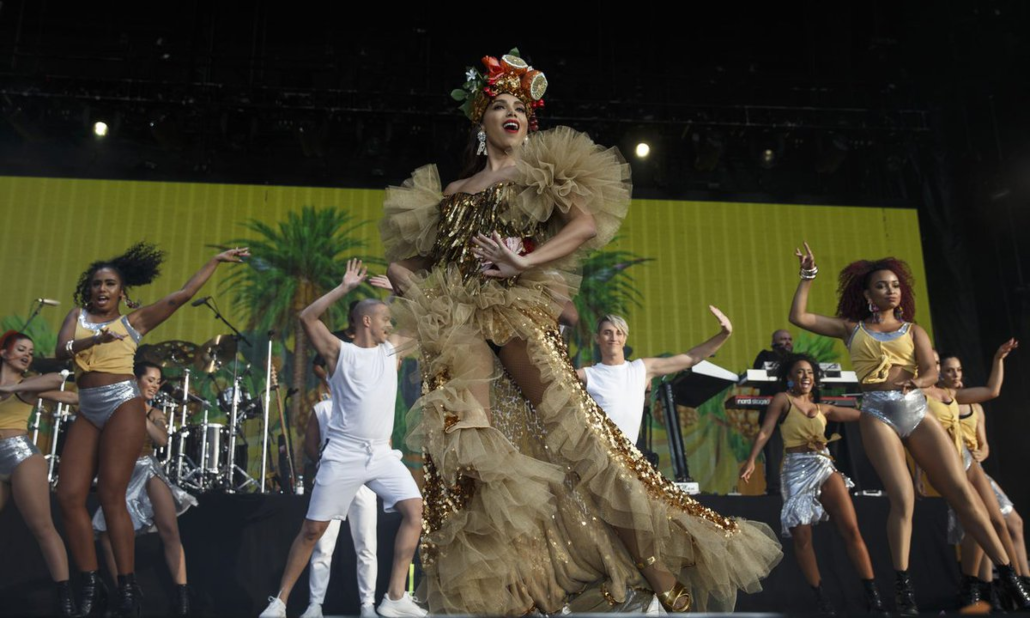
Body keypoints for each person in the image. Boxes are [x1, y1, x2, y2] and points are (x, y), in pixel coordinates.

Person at [383, 50, 781, 614]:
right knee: (474, 455)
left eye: (521, 106)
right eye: (499, 105)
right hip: (459, 323)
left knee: (585, 444)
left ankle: (657, 566)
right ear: (481, 120)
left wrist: (526, 262)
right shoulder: (451, 194)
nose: (511, 113)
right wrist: (407, 281)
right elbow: (420, 263)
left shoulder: (536, 173)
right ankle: (514, 591)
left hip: (517, 313)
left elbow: (585, 224)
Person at [787, 242, 1030, 613]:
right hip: (878, 412)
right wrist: (807, 277)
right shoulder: (851, 329)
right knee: (903, 499)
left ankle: (1009, 575)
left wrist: (920, 382)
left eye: (895, 285)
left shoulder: (912, 330)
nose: (890, 290)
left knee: (963, 494)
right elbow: (800, 318)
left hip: (915, 409)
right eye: (882, 285)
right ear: (867, 294)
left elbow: (931, 370)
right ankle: (904, 588)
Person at [54, 242, 247, 616]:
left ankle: (128, 588)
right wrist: (95, 338)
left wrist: (214, 262)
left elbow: (182, 295)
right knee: (68, 496)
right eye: (96, 283)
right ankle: (92, 581)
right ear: (88, 289)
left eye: (110, 283)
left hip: (122, 403)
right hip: (88, 405)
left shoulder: (133, 322)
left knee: (112, 495)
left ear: (122, 292)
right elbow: (63, 351)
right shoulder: (77, 316)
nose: (102, 289)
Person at [260, 259, 424, 618]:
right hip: (344, 454)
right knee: (312, 531)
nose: (389, 324)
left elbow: (426, 314)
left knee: (415, 512)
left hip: (380, 455)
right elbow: (307, 317)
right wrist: (344, 288)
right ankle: (280, 602)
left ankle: (394, 597)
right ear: (366, 321)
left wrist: (399, 293)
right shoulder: (339, 352)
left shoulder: (391, 352)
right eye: (384, 319)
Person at [740, 352, 886, 614]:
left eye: (809, 372)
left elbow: (863, 415)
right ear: (789, 378)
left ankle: (872, 596)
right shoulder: (783, 400)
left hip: (823, 466)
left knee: (851, 530)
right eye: (799, 372)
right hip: (796, 471)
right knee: (803, 537)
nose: (805, 376)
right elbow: (765, 431)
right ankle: (821, 598)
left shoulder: (824, 409)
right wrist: (752, 460)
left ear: (815, 380)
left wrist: (887, 403)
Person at [92, 361, 198, 615]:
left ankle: (181, 593)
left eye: (157, 381)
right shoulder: (114, 409)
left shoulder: (153, 413)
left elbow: (161, 439)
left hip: (148, 469)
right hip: (121, 471)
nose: (154, 385)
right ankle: (125, 593)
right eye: (150, 379)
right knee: (107, 535)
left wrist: (139, 412)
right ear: (135, 380)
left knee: (170, 529)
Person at [923, 344, 1026, 606]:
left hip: (968, 462)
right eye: (936, 365)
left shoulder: (952, 394)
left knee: (999, 522)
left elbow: (992, 391)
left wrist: (997, 358)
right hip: (946, 466)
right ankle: (980, 587)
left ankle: (1008, 583)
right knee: (976, 524)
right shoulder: (917, 394)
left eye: (938, 363)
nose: (938, 369)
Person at [0, 331, 79, 615]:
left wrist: (10, 389)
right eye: (21, 349)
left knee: (43, 527)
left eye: (30, 352)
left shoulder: (26, 385)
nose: (27, 355)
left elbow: (57, 379)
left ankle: (65, 596)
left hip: (21, 456)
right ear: (4, 353)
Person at [576, 306, 732, 445]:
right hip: (596, 452)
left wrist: (724, 334)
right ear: (597, 338)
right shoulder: (587, 374)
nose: (614, 338)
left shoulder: (641, 369)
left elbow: (691, 357)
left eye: (619, 333)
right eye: (607, 333)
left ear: (625, 339)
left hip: (627, 459)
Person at [299, 368, 379, 618]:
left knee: (366, 546)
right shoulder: (322, 409)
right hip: (332, 480)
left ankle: (367, 605)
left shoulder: (368, 407)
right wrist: (325, 462)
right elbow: (310, 445)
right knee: (324, 545)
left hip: (363, 482)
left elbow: (383, 443)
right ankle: (315, 604)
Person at [751, 329, 794, 494]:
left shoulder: (797, 360)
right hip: (772, 412)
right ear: (774, 342)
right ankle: (774, 489)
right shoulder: (766, 356)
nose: (787, 341)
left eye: (790, 339)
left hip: (794, 412)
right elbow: (757, 377)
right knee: (773, 453)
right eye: (783, 339)